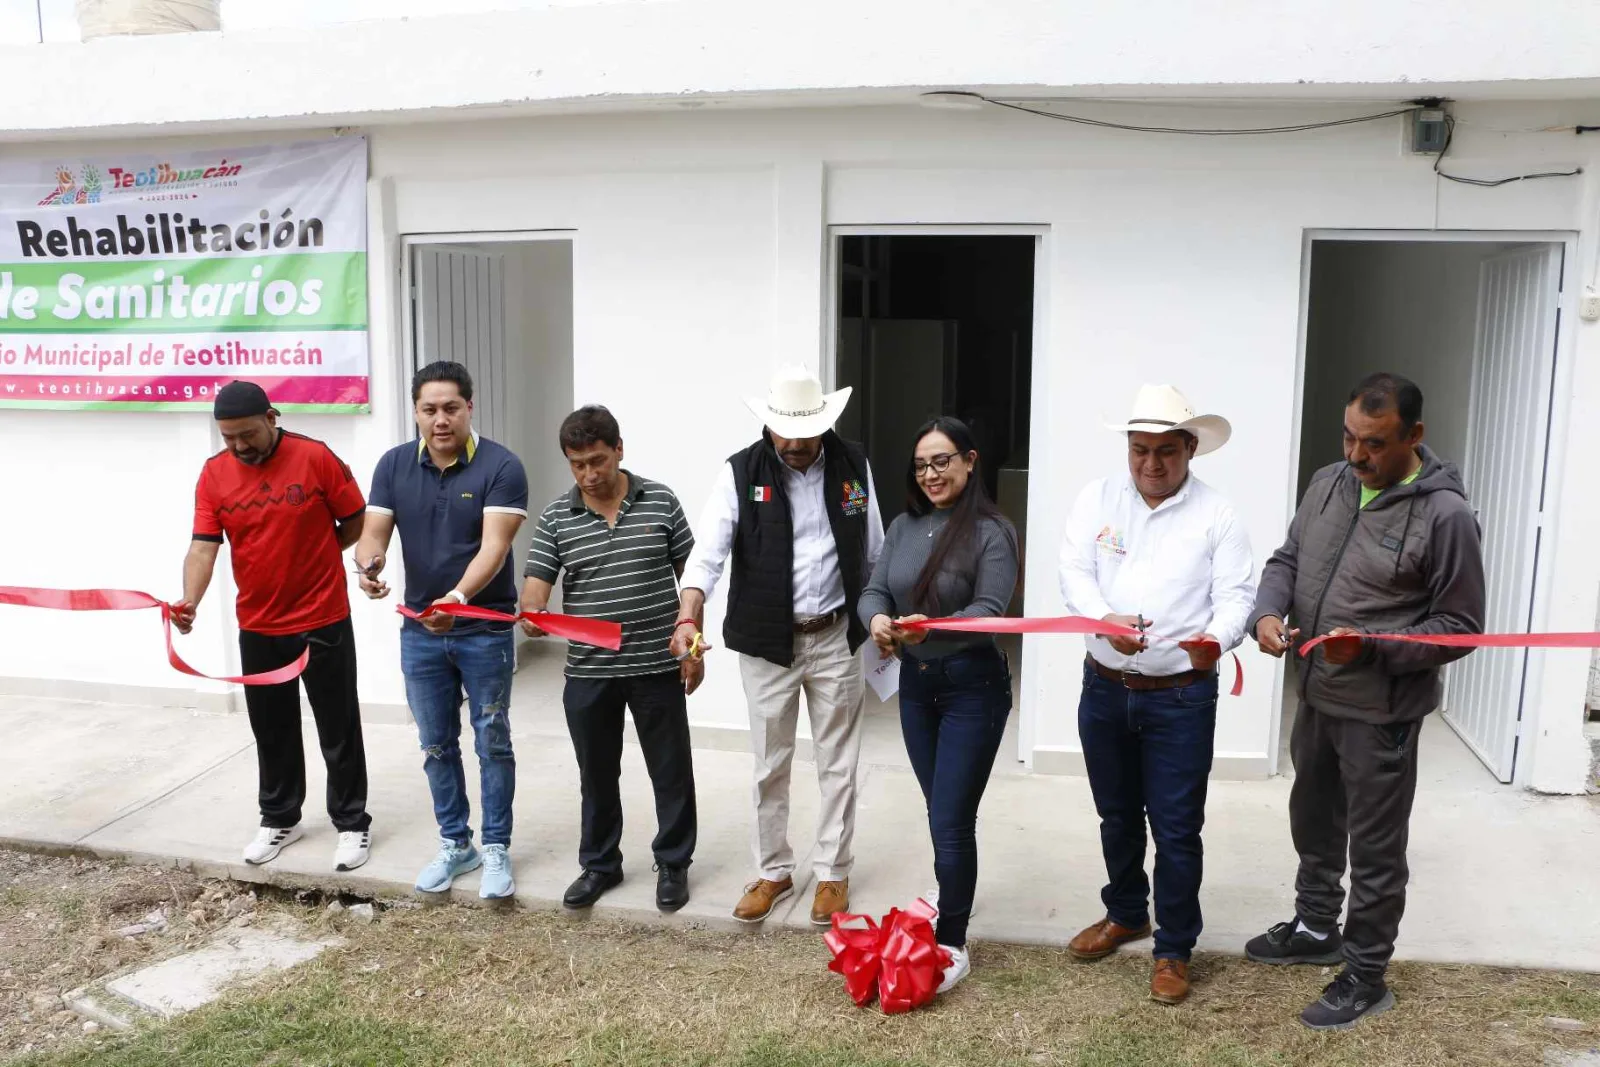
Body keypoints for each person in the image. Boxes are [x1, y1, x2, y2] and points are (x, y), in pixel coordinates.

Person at [1245, 372, 1484, 1030]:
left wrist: (1374, 647)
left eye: (1373, 444)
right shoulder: (1329, 482)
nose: (1356, 456)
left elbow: (1461, 629)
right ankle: (1316, 924)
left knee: (1375, 848)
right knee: (1313, 817)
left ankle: (1365, 972)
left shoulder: (1446, 516)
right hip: (1317, 693)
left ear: (1414, 435)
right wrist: (1266, 614)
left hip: (1382, 714)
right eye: (1348, 436)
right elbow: (1287, 560)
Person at [1058, 384, 1254, 1006]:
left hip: (1181, 695)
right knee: (1116, 813)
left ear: (1191, 448)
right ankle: (1124, 913)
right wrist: (1106, 618)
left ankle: (1174, 949)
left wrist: (1216, 641)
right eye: (1139, 450)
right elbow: (1074, 573)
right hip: (1105, 687)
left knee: (1175, 829)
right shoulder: (1098, 499)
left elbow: (1238, 597)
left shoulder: (1217, 515)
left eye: (1166, 451)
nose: (1151, 464)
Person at [674, 365, 884, 926]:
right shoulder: (741, 471)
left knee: (838, 760)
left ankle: (833, 873)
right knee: (771, 762)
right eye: (784, 432)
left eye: (806, 432)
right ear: (768, 426)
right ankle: (773, 870)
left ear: (824, 425)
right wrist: (688, 616)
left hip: (837, 634)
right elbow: (707, 556)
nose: (794, 444)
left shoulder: (852, 465)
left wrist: (880, 620)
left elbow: (875, 548)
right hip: (767, 642)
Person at [173, 379, 374, 873]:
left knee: (338, 724)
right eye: (228, 437)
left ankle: (351, 824)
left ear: (272, 417)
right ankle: (281, 817)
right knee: (272, 727)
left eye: (247, 434)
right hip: (260, 624)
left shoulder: (315, 457)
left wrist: (320, 557)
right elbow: (203, 545)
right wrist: (189, 601)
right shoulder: (214, 474)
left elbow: (355, 519)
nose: (239, 446)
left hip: (324, 616)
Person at [355, 361, 529, 901]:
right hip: (420, 630)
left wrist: (456, 599)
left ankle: (496, 846)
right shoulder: (393, 465)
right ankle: (457, 843)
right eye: (429, 410)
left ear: (469, 408)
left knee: (491, 739)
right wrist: (369, 567)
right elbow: (372, 535)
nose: (440, 420)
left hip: (483, 626)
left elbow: (494, 548)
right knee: (435, 744)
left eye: (451, 408)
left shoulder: (501, 465)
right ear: (415, 412)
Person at [858, 416, 1018, 994]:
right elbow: (874, 588)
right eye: (921, 464)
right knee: (940, 810)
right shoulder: (904, 526)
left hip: (971, 687)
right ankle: (950, 891)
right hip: (916, 687)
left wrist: (933, 628)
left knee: (951, 819)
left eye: (942, 461)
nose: (930, 473)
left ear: (969, 461)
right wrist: (877, 618)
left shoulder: (991, 531)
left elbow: (991, 609)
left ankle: (952, 939)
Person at [521, 405, 700, 912]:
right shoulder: (558, 516)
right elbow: (535, 591)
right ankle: (600, 864)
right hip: (589, 673)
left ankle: (673, 863)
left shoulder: (661, 501)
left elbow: (693, 582)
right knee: (596, 773)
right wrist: (532, 613)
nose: (589, 474)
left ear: (619, 449)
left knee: (670, 770)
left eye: (597, 460)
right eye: (577, 464)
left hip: (656, 665)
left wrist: (692, 648)